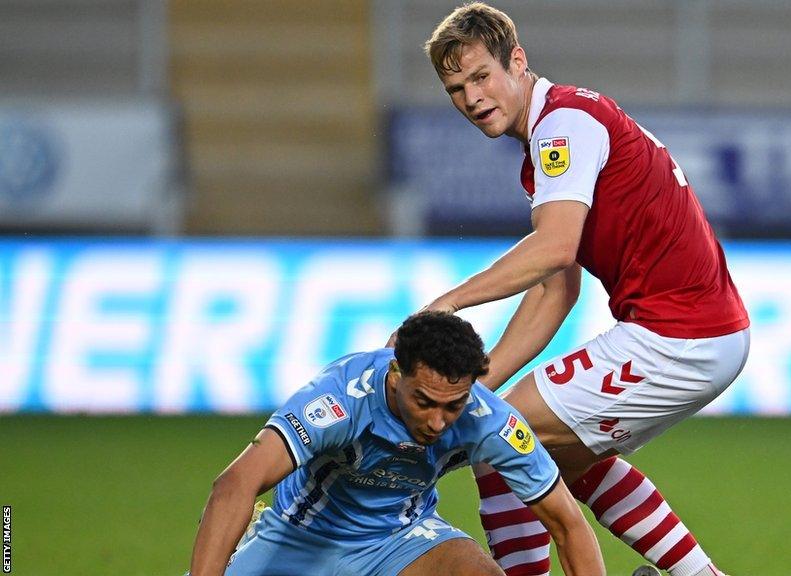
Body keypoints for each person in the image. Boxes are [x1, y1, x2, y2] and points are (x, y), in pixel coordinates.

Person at [423, 4, 750, 576]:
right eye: (457, 88)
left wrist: (446, 305)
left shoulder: (563, 125)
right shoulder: (555, 135)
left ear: (517, 61)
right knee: (551, 454)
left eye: (481, 77)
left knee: (501, 440)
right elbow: (556, 291)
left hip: (677, 335)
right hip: (697, 332)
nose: (472, 98)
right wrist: (475, 383)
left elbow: (552, 248)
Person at [187, 311, 605, 576]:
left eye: (453, 405)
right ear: (395, 374)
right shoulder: (339, 400)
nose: (438, 422)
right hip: (301, 536)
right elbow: (235, 483)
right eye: (424, 402)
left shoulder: (487, 420)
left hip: (399, 538)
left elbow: (567, 523)